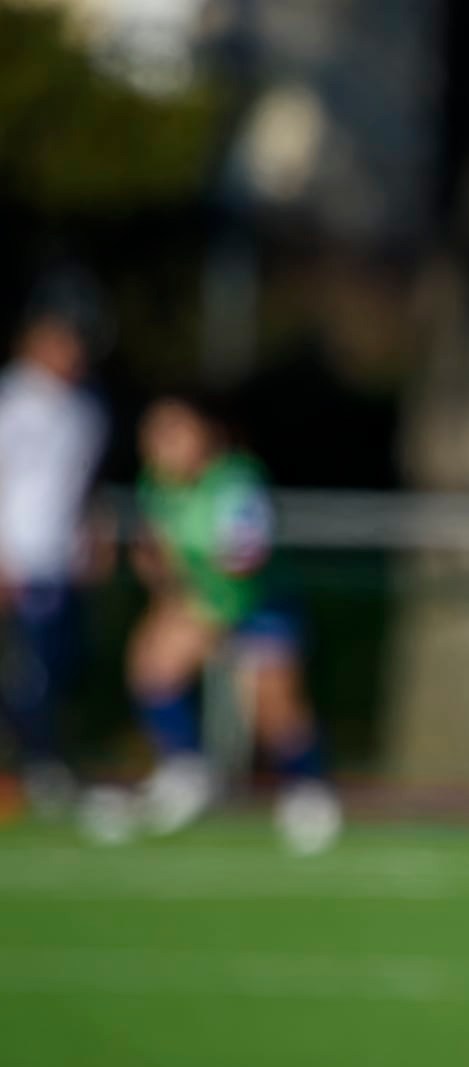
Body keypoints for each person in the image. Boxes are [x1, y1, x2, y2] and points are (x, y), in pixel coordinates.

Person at [129, 393, 341, 854]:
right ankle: (187, 772)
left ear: (206, 434)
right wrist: (163, 578)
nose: (163, 445)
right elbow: (156, 547)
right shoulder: (156, 485)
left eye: (176, 432)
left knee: (275, 711)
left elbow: (244, 562)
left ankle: (308, 790)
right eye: (156, 434)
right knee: (151, 665)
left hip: (261, 605)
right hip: (205, 603)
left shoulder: (238, 483)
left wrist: (211, 617)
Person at [0, 287, 110, 813]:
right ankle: (39, 764)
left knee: (61, 665)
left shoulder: (86, 409)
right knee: (30, 669)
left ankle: (43, 760)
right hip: (19, 555)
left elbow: (85, 484)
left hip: (63, 558)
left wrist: (96, 532)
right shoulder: (13, 401)